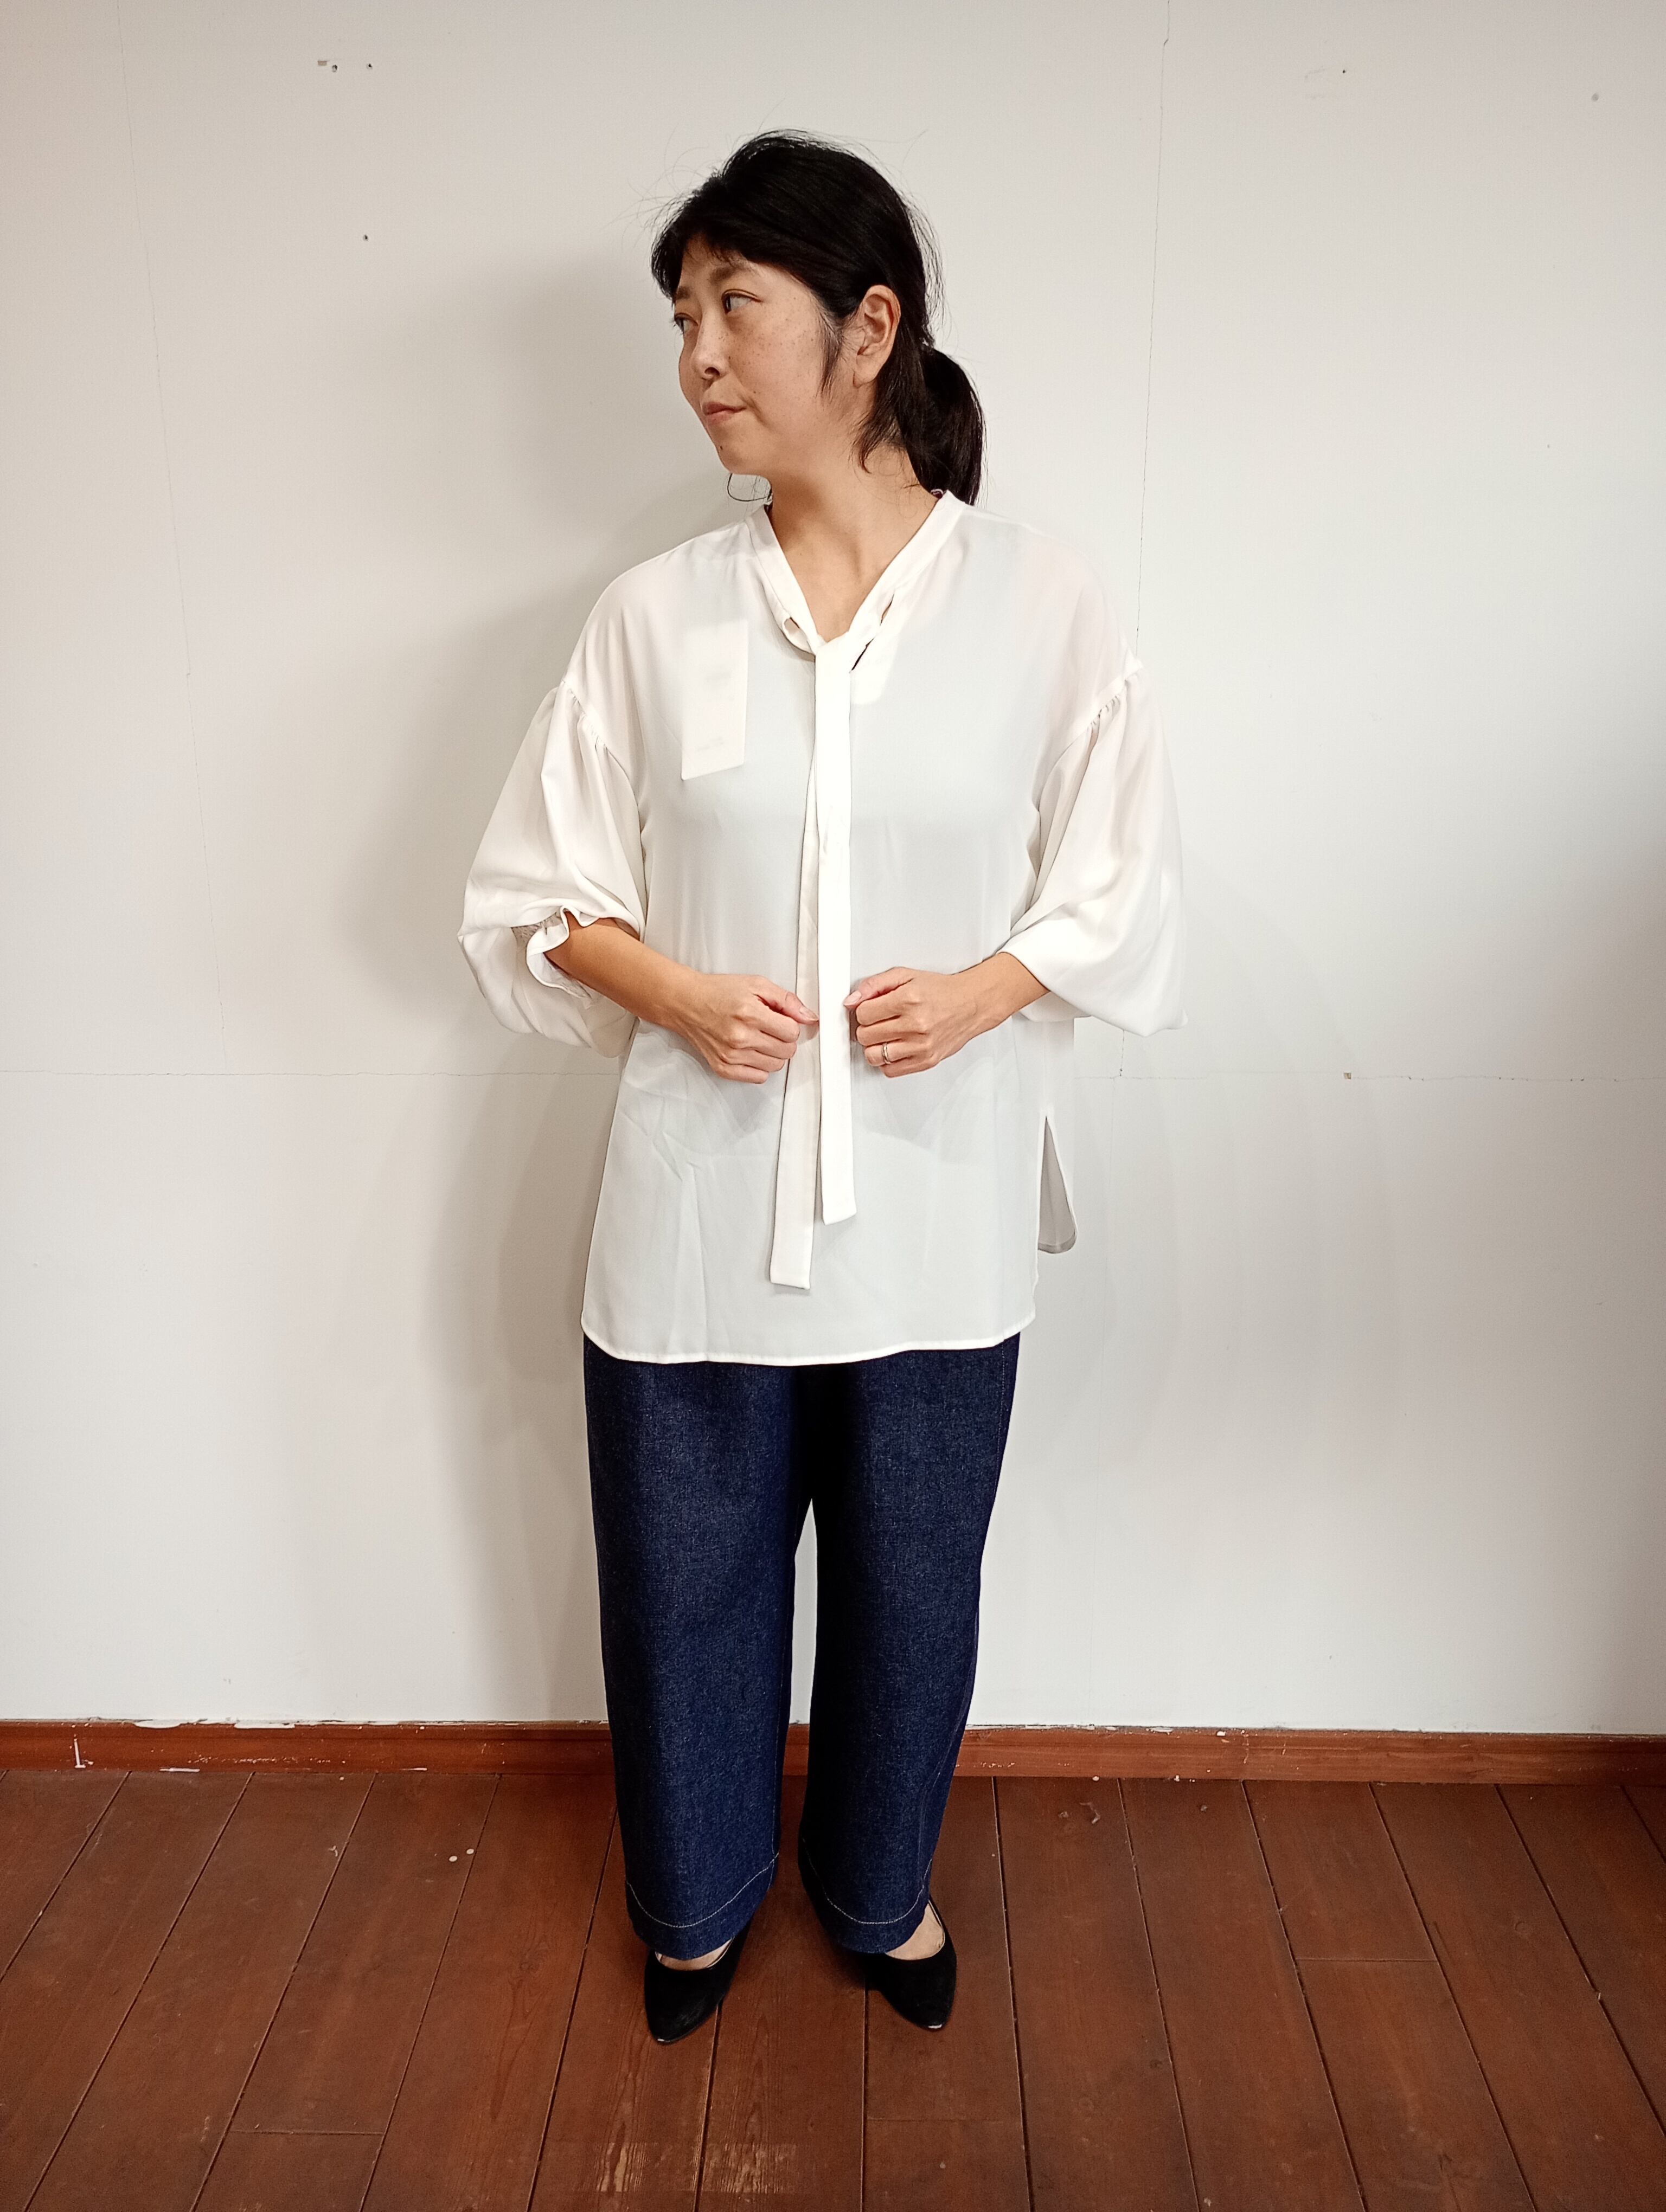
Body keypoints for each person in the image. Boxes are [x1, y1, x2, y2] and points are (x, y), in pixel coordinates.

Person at [458, 130, 1186, 2043]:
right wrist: (682, 993)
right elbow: (534, 898)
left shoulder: (1041, 606)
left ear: (869, 328)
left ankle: (879, 1892)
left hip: (939, 1205)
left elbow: (1119, 880)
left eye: (733, 306)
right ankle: (697, 1901)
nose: (696, 353)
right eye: (680, 317)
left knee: (911, 1588)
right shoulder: (654, 617)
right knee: (681, 1580)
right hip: (696, 1208)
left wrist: (987, 990)